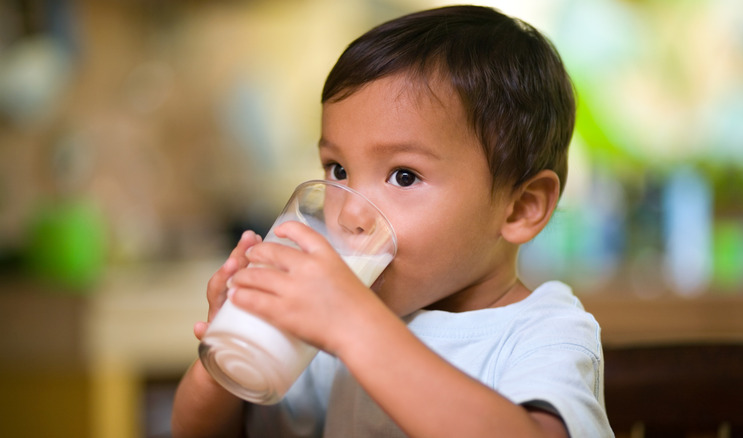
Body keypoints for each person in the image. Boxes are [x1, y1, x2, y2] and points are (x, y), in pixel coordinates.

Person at [172, 5, 612, 437]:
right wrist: (226, 354)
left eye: (404, 176)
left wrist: (354, 327)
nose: (349, 212)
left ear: (521, 208)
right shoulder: (332, 324)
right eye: (337, 170)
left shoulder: (544, 333)